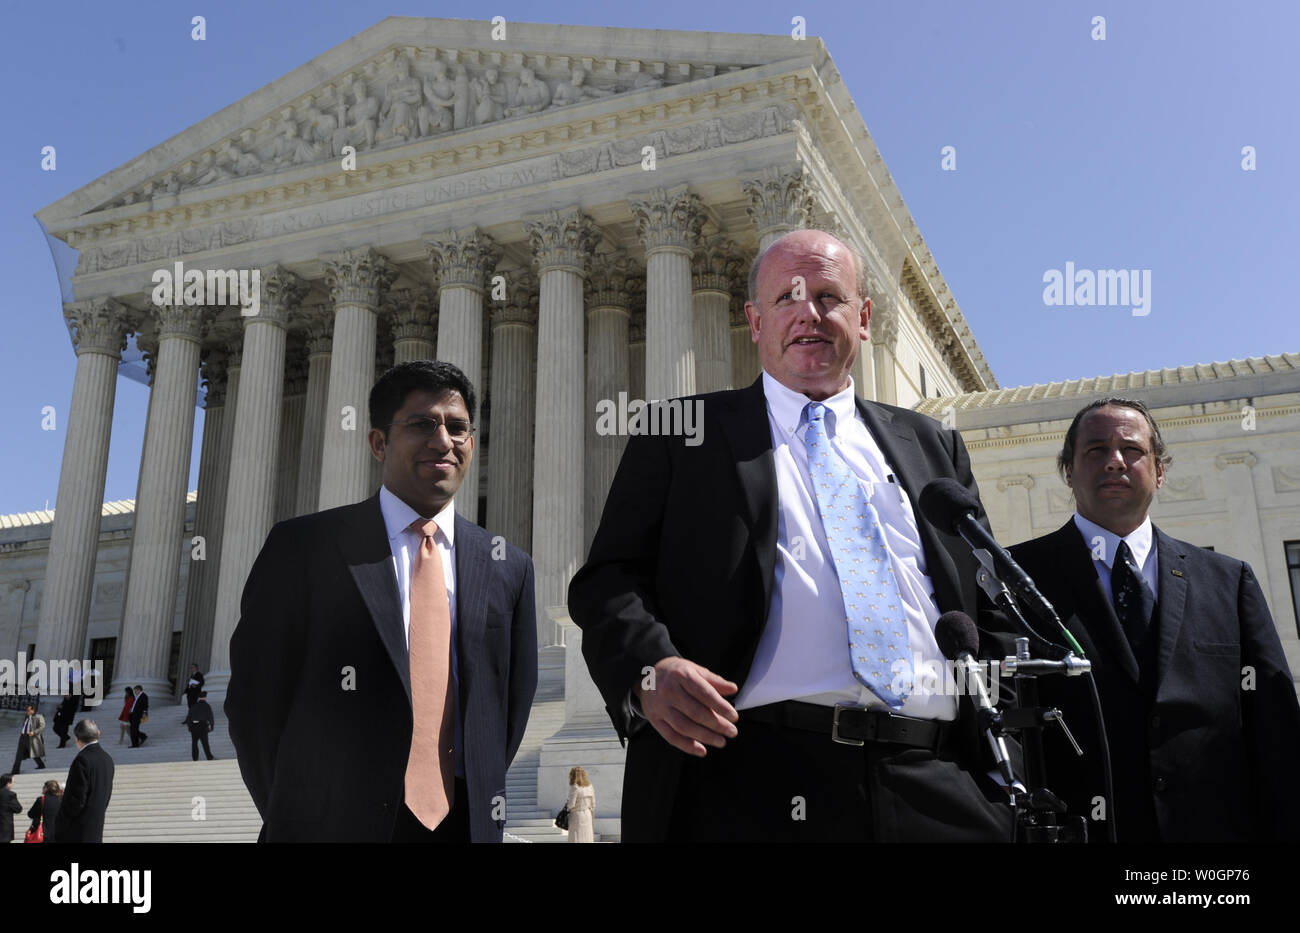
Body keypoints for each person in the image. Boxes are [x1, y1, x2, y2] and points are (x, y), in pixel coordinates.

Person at [569, 229, 1014, 842]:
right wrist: (651, 667)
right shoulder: (680, 437)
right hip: (750, 782)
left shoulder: (933, 446)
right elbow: (607, 581)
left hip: (936, 782)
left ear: (862, 319)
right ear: (754, 321)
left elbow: (989, 604)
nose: (809, 315)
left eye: (829, 297)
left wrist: (998, 765)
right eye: (788, 299)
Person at [227, 360, 537, 843]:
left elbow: (509, 708)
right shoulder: (304, 547)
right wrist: (300, 813)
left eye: (458, 428)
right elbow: (255, 703)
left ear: (472, 444)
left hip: (461, 827)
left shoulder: (508, 566)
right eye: (421, 425)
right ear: (378, 443)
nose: (443, 441)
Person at [1003, 398, 1300, 842]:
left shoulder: (1228, 581)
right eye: (1096, 450)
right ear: (1068, 471)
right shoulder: (1015, 580)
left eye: (1132, 450)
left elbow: (1276, 735)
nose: (1115, 462)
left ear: (1160, 471)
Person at [53, 719, 114, 844]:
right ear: (98, 733)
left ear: (76, 738)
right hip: (96, 825)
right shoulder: (107, 759)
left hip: (77, 829)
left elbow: (77, 799)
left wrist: (61, 822)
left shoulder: (82, 760)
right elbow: (107, 794)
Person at [10, 704, 46, 773]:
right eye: (27, 710)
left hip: (31, 737)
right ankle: (15, 770)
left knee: (33, 753)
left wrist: (34, 732)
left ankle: (41, 765)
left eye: (29, 710)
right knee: (18, 754)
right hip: (23, 737)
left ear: (33, 710)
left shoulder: (39, 717)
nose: (27, 711)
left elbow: (42, 727)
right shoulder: (26, 716)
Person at [564, 767, 595, 843]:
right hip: (587, 814)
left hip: (577, 815)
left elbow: (571, 805)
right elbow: (593, 804)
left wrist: (567, 803)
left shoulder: (575, 787)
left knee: (576, 837)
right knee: (587, 836)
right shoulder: (590, 786)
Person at [27, 779, 62, 844]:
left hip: (42, 832)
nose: (42, 788)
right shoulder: (61, 800)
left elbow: (30, 814)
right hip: (57, 831)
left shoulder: (41, 799)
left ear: (47, 788)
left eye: (44, 787)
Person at [186, 691, 216, 761]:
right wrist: (212, 726)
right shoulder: (207, 706)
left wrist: (190, 727)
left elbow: (189, 718)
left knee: (194, 744)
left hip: (194, 726)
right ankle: (209, 757)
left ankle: (195, 758)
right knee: (205, 743)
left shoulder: (194, 706)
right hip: (203, 726)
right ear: (205, 698)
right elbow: (210, 717)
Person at [0, 773, 20, 843]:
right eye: (13, 782)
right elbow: (18, 809)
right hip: (5, 826)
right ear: (8, 783)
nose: (13, 784)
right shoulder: (10, 794)